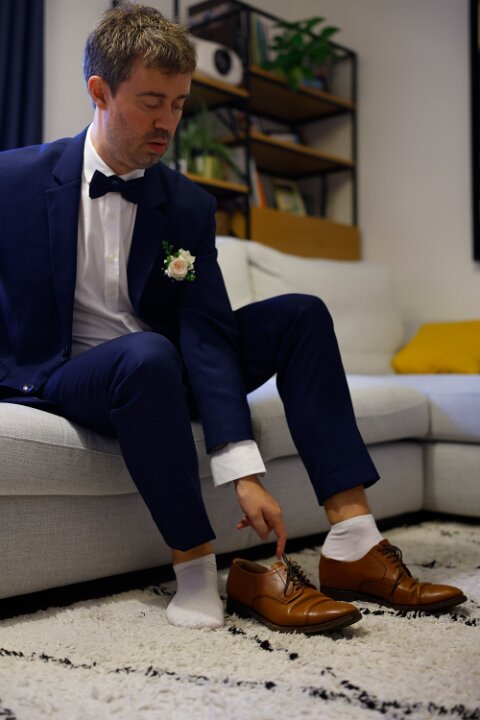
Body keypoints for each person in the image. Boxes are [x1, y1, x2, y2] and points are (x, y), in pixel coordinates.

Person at [0, 2, 466, 633]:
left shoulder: (187, 204)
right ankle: (195, 569)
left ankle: (354, 539)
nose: (167, 123)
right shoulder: (14, 181)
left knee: (300, 314)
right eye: (151, 102)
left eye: (179, 104)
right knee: (146, 355)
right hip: (73, 373)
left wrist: (240, 463)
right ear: (99, 91)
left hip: (168, 371)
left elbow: (208, 330)